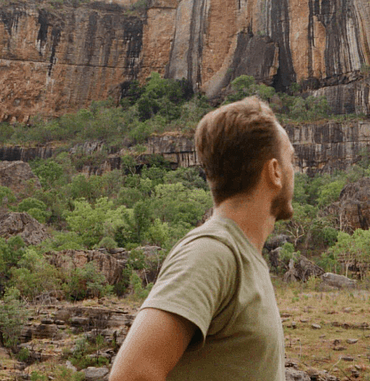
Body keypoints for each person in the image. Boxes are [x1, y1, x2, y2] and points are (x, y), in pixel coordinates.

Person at [110, 96, 296, 381]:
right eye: (291, 159)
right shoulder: (212, 253)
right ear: (274, 172)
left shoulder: (242, 255)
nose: (294, 170)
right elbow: (132, 375)